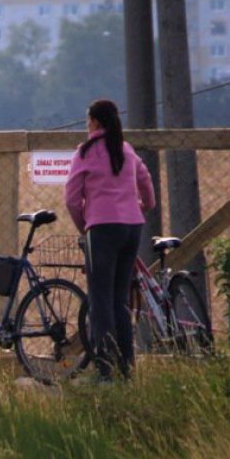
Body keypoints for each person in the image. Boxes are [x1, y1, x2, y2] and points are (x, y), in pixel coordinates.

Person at [65, 99, 156, 382]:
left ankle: (105, 369)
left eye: (87, 120)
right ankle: (126, 367)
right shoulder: (126, 149)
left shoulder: (86, 152)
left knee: (100, 300)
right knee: (120, 300)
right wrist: (145, 205)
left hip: (102, 229)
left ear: (94, 122)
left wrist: (85, 226)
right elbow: (146, 179)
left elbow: (71, 198)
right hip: (133, 228)